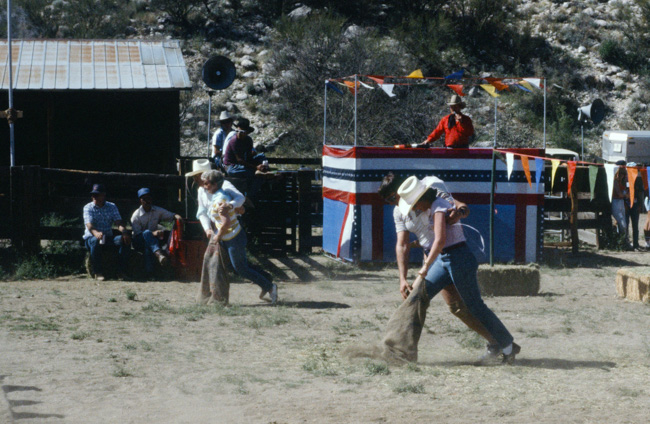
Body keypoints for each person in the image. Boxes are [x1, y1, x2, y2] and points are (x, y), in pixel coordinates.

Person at [397, 176, 520, 364]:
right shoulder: (435, 206)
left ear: (421, 199)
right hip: (446, 259)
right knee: (418, 295)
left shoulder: (439, 206)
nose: (415, 210)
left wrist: (423, 270)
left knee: (475, 305)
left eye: (414, 205)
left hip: (457, 258)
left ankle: (508, 345)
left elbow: (439, 241)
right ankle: (404, 350)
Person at [378, 172, 500, 358]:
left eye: (393, 197)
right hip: (432, 256)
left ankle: (498, 342)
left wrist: (458, 213)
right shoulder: (399, 212)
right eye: (388, 201)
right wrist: (402, 278)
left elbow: (459, 206)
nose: (392, 203)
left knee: (458, 306)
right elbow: (402, 244)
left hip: (449, 252)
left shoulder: (431, 188)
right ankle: (402, 351)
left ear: (402, 190)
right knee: (417, 299)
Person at [198, 170, 277, 305]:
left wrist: (217, 236)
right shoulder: (217, 195)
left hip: (233, 236)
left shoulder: (220, 200)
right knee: (237, 266)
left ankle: (269, 286)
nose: (204, 186)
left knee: (240, 268)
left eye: (206, 184)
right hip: (230, 236)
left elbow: (226, 222)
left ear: (215, 184)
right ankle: (266, 282)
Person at [82, 184, 131, 281]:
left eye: (97, 195)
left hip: (107, 238)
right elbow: (89, 225)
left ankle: (121, 272)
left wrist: (124, 232)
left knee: (124, 240)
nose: (94, 197)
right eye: (93, 195)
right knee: (95, 241)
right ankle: (97, 272)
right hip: (91, 238)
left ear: (103, 195)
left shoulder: (112, 206)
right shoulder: (88, 207)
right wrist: (96, 233)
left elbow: (118, 222)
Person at [130, 188, 182, 278]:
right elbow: (137, 234)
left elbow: (171, 215)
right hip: (138, 241)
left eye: (149, 198)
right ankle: (158, 254)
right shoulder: (136, 215)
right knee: (146, 233)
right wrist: (152, 233)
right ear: (140, 201)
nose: (147, 201)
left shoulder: (157, 210)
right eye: (144, 199)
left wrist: (178, 217)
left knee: (148, 247)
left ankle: (150, 274)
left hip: (151, 242)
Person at [611, 161, 629, 246]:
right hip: (616, 200)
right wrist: (626, 195)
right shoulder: (615, 181)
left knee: (623, 223)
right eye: (621, 173)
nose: (623, 176)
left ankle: (623, 241)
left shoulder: (623, 182)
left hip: (621, 201)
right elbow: (619, 194)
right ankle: (623, 241)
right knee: (622, 223)